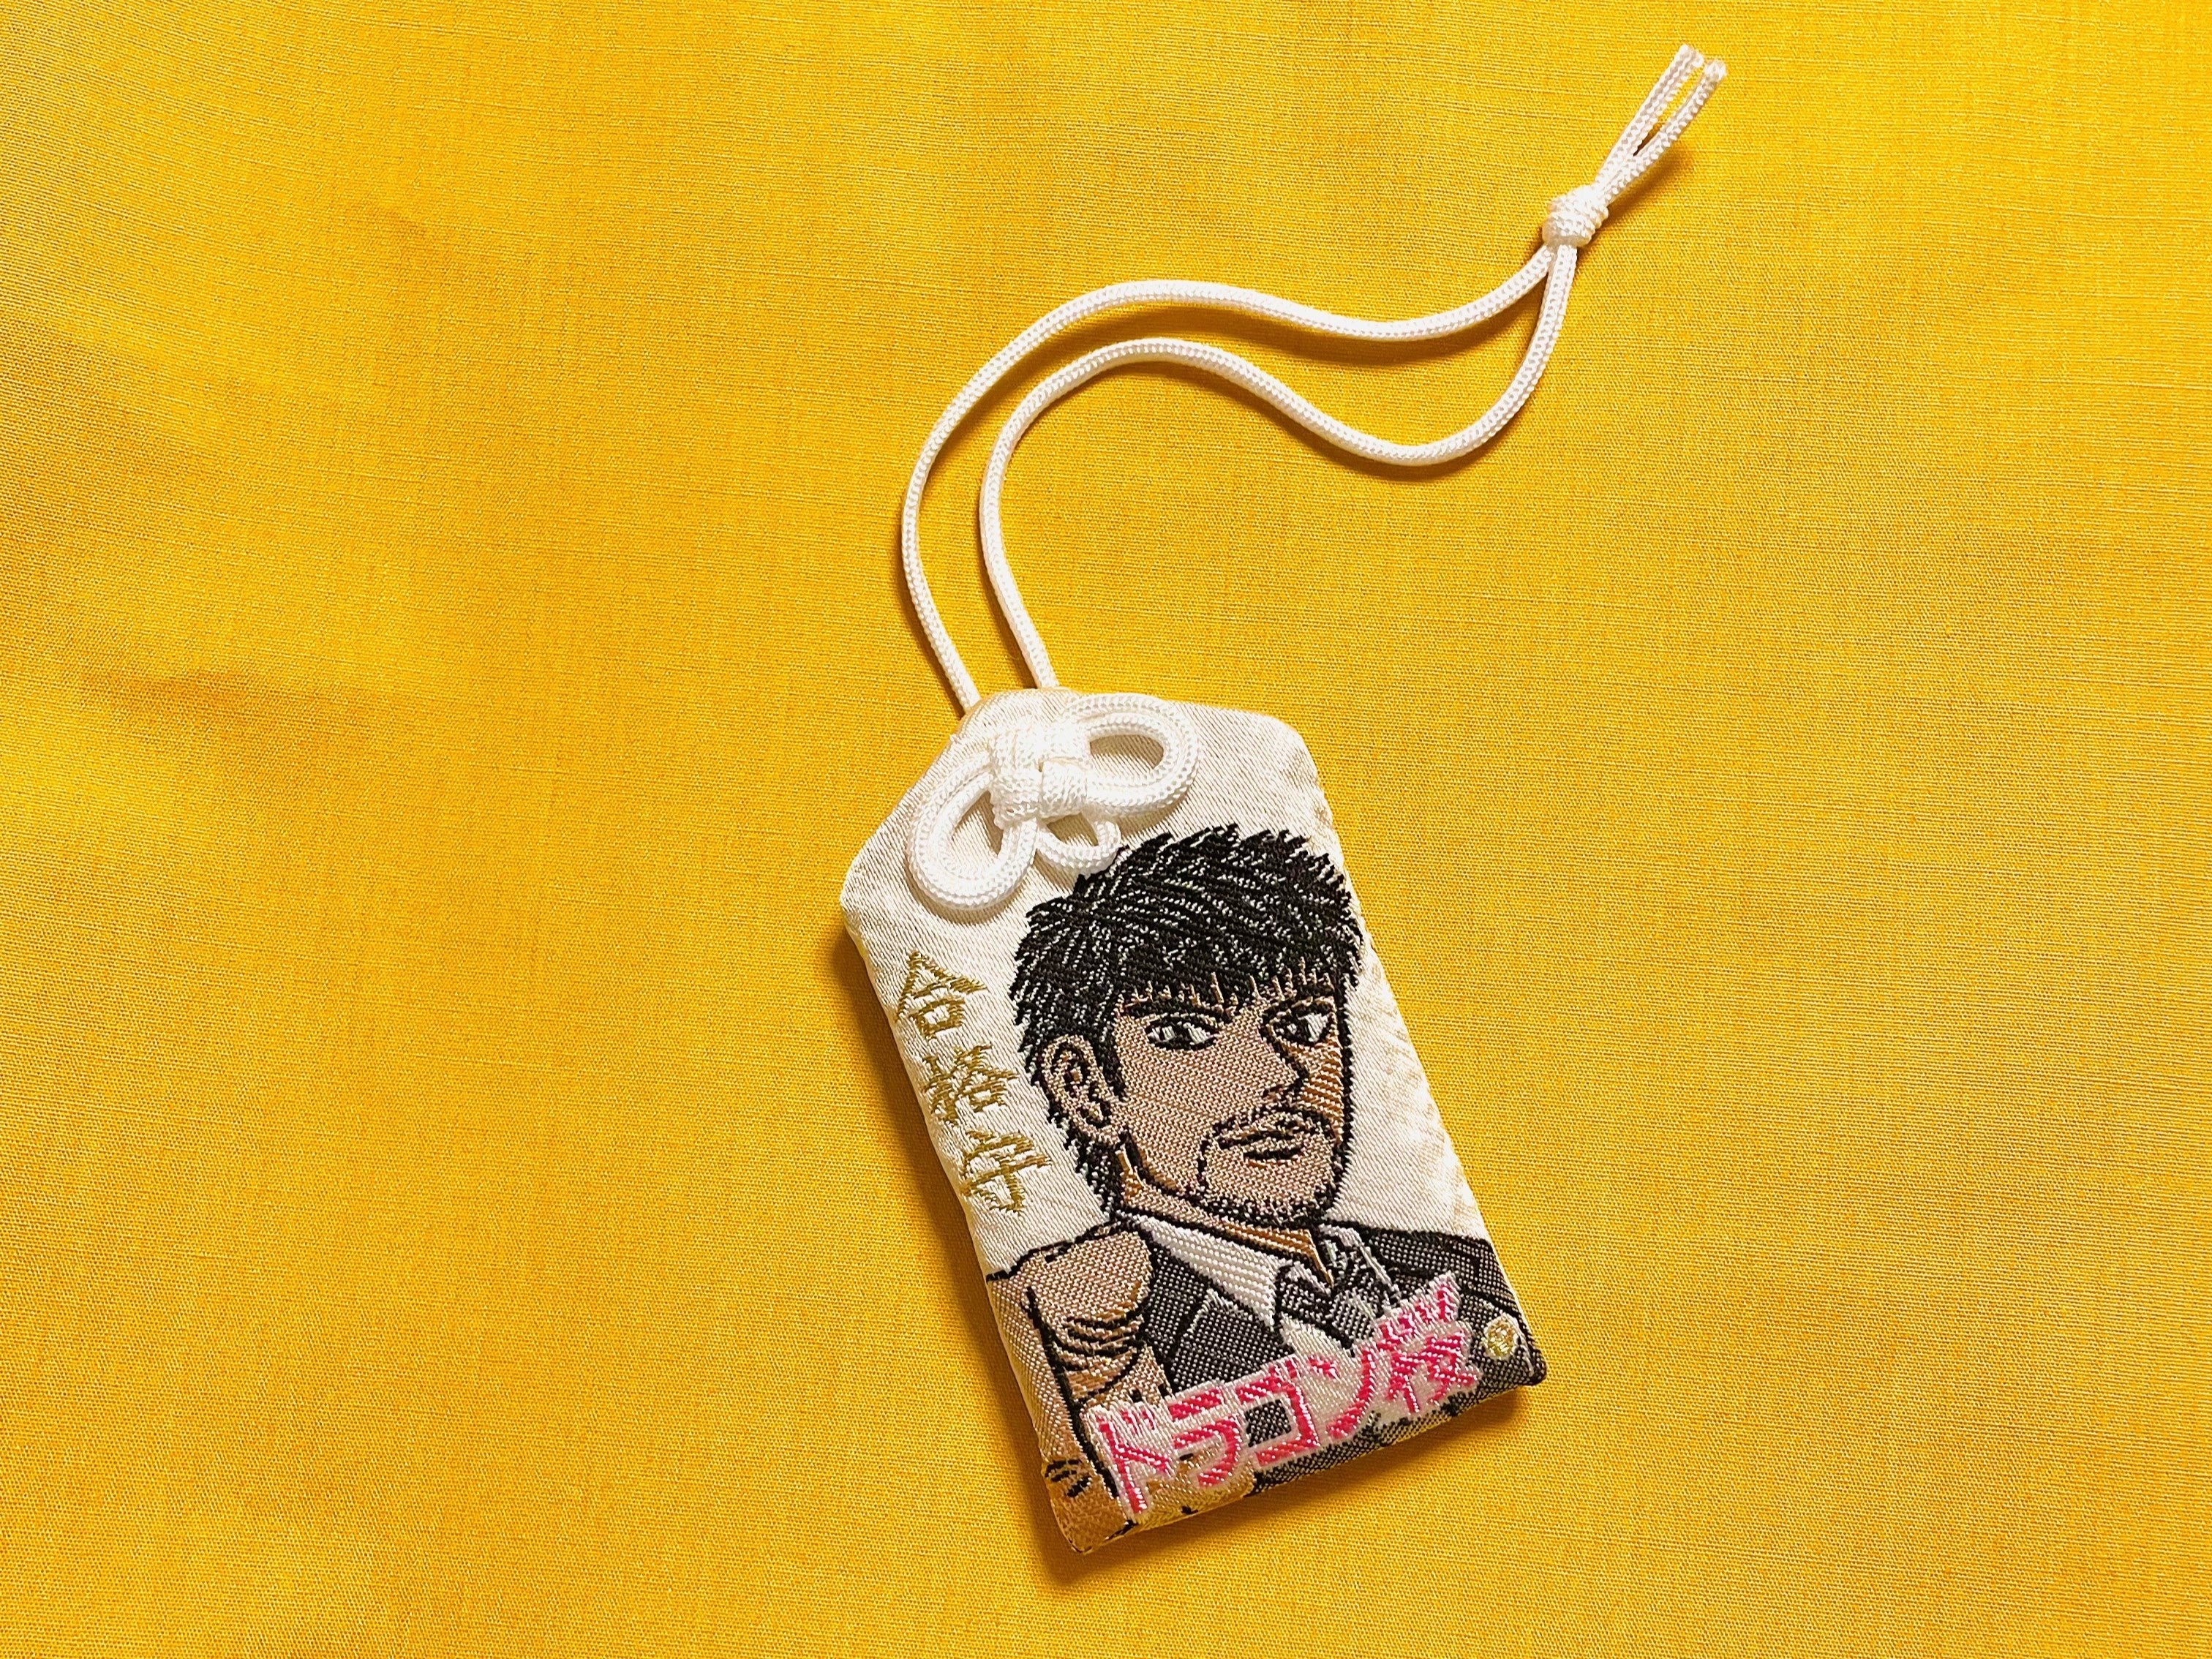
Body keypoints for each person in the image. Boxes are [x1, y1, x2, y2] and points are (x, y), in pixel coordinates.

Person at [987, 825, 1543, 1544]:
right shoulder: (1094, 1344)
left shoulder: (1458, 1269)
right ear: (1087, 1087)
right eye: (1186, 1035)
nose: (1280, 1075)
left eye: (1305, 1023)